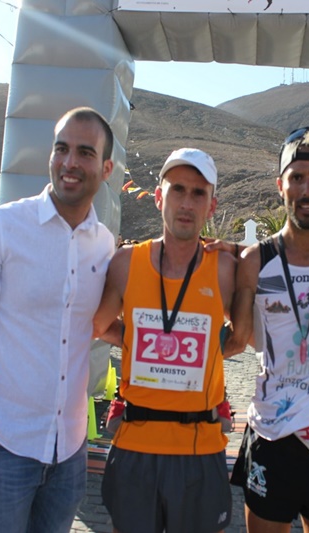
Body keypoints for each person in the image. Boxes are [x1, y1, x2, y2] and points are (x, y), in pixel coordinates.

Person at [0, 107, 116, 532]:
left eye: (85, 152)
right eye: (61, 149)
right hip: (2, 444)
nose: (70, 162)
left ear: (107, 168)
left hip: (70, 450)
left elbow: (102, 324)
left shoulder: (104, 245)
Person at [224, 128, 309, 533]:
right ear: (280, 185)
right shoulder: (255, 261)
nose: (307, 189)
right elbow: (237, 339)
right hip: (272, 434)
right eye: (297, 177)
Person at [92, 147, 236, 533]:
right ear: (159, 197)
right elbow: (97, 325)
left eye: (198, 193)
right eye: (177, 190)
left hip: (200, 446)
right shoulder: (126, 263)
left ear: (211, 205)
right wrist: (136, 339)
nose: (186, 203)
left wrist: (207, 351)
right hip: (135, 444)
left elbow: (244, 337)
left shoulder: (225, 268)